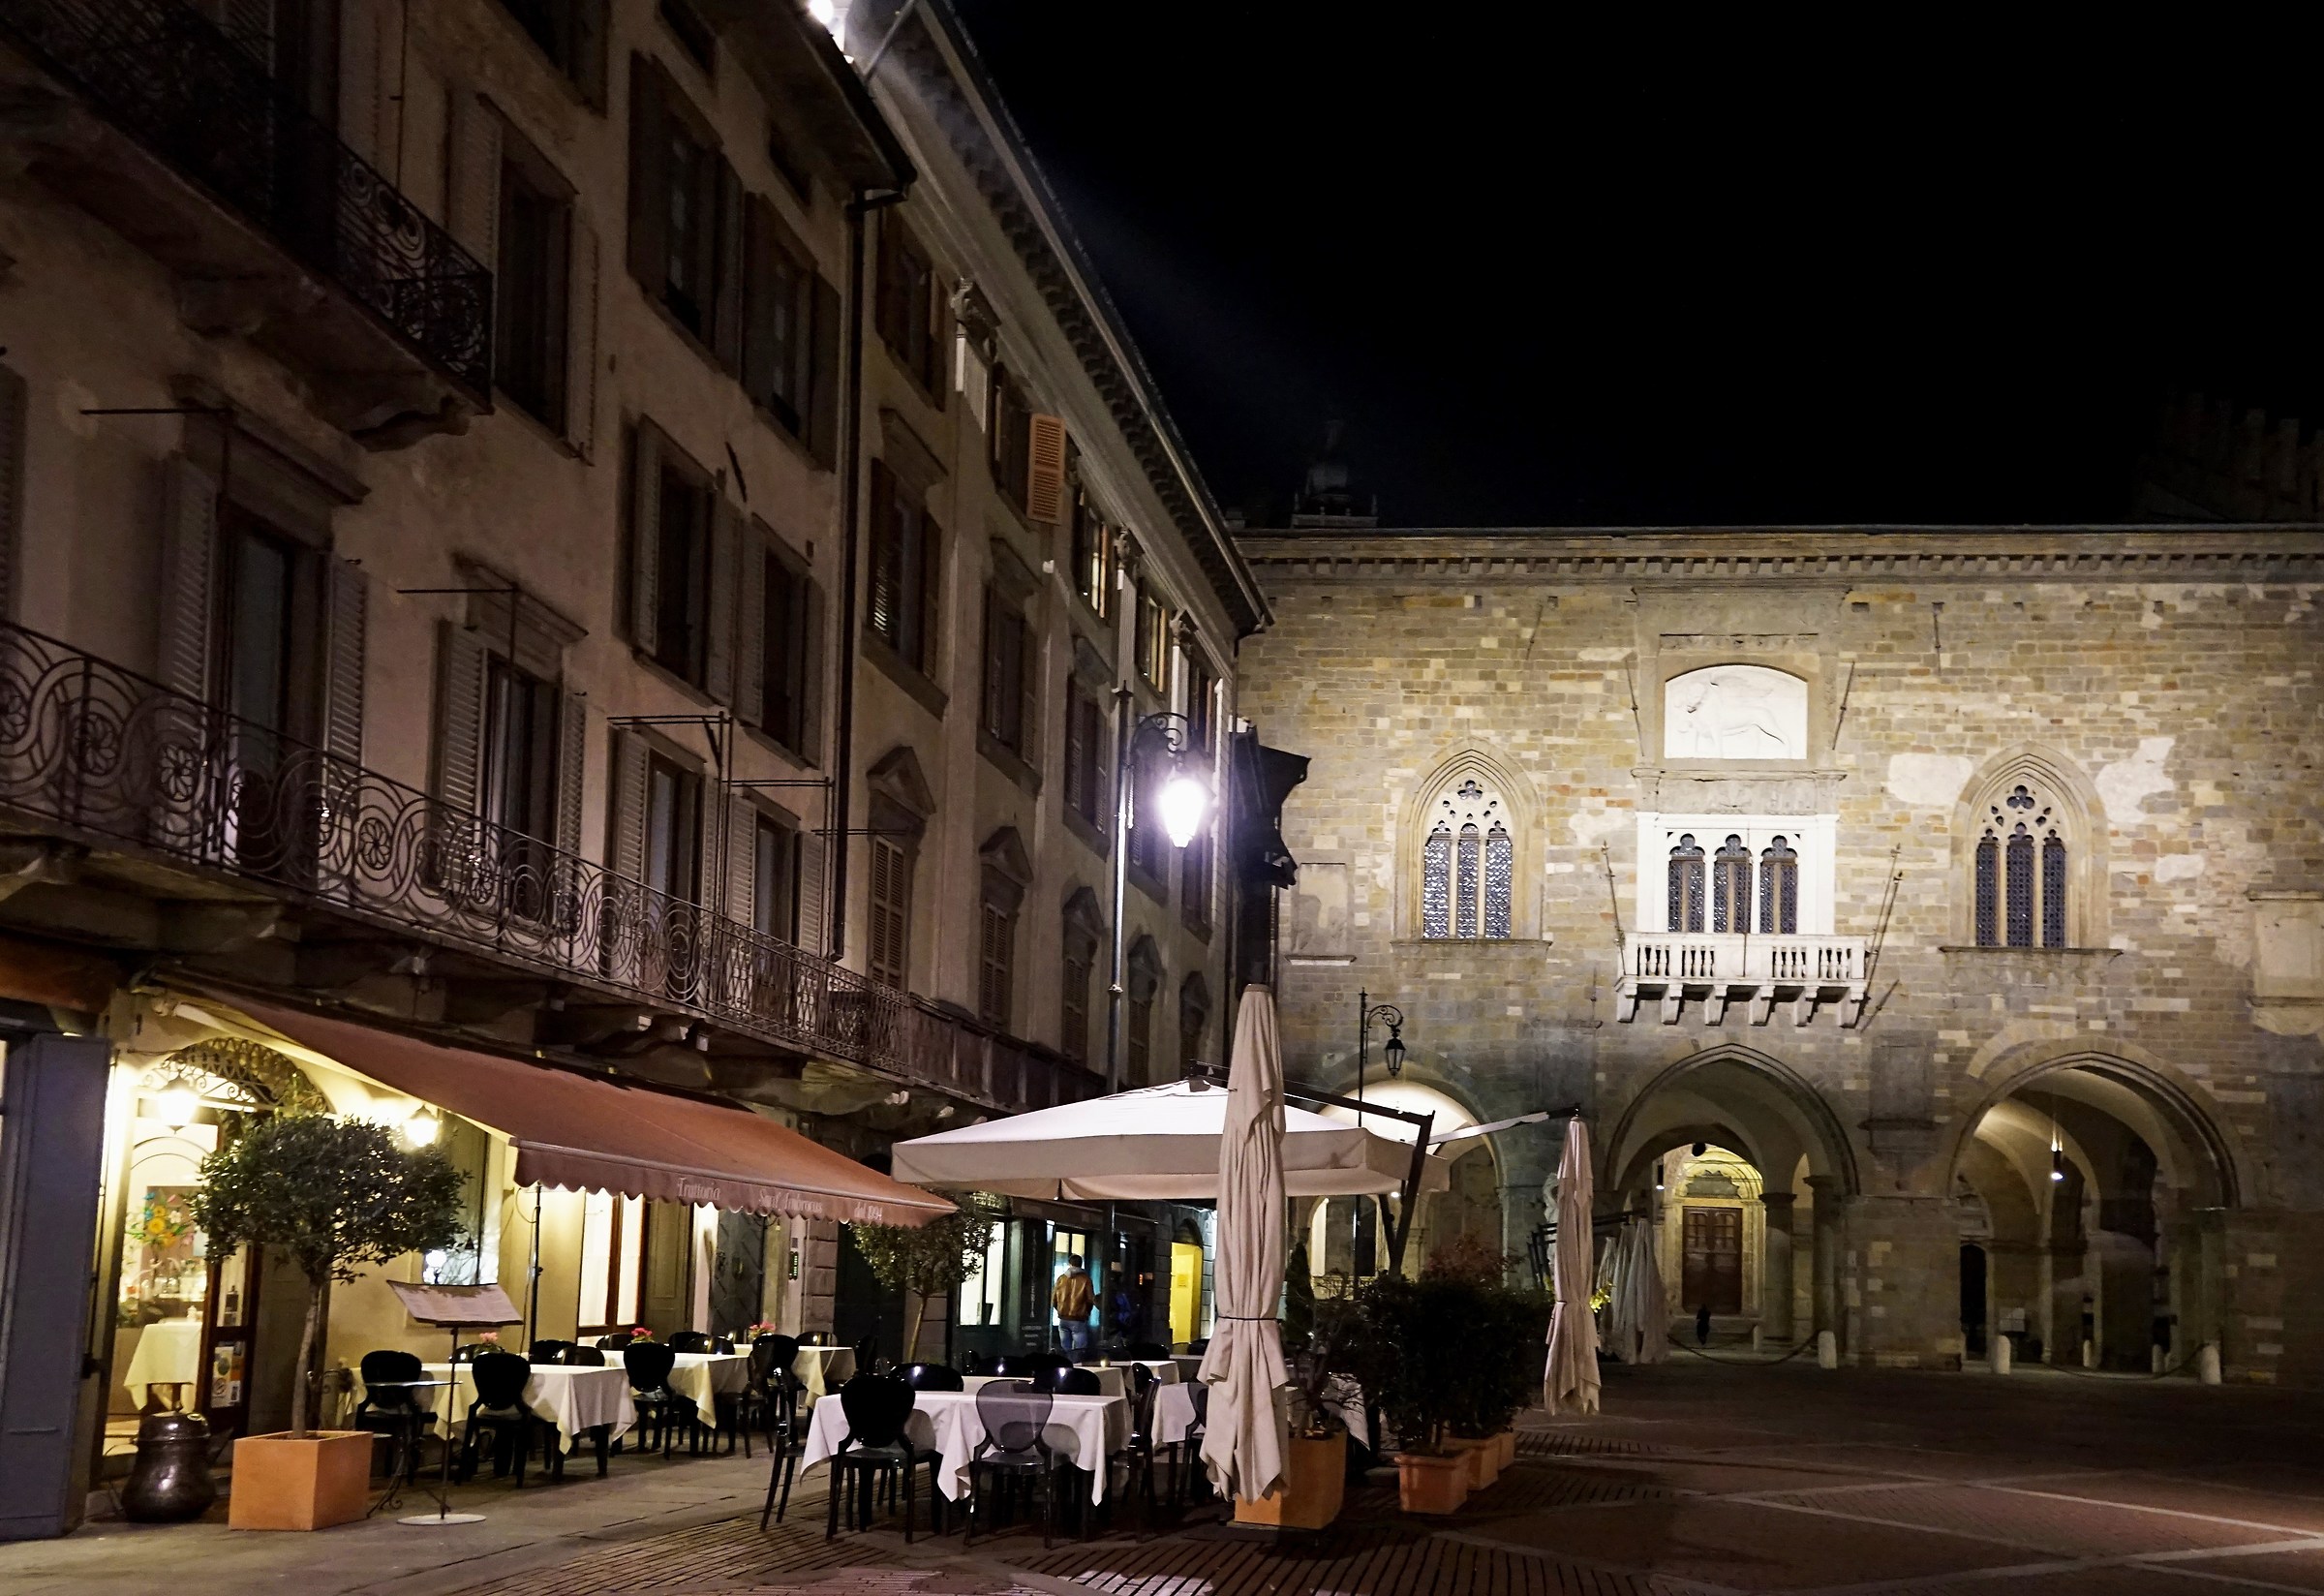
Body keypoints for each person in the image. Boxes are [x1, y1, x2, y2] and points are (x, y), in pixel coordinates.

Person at [1052, 1254, 1095, 1356]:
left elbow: (1054, 1299)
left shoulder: (1061, 1279)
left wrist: (1060, 1310)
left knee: (1065, 1350)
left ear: (1069, 1264)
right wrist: (1086, 1312)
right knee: (1079, 1350)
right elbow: (1090, 1300)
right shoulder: (1086, 1279)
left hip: (1063, 1318)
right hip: (1078, 1319)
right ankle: (1076, 1364)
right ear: (1081, 1264)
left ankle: (1066, 1363)